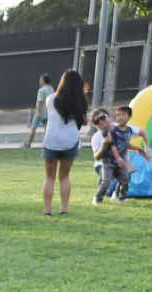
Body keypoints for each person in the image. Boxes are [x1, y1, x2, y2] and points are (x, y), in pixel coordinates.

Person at [40, 70, 88, 218]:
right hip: (70, 141)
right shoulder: (81, 102)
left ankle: (47, 210)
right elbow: (84, 121)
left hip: (52, 141)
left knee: (49, 177)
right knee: (64, 176)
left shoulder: (50, 99)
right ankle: (64, 209)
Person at [90, 109, 124, 203]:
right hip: (101, 164)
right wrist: (104, 145)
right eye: (97, 121)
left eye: (102, 118)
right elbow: (96, 157)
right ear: (95, 125)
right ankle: (97, 198)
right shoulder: (96, 137)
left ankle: (116, 195)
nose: (101, 122)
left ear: (109, 117)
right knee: (106, 182)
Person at [26, 74, 53, 149]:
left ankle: (28, 143)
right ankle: (49, 144)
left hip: (41, 112)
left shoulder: (41, 90)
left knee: (33, 128)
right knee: (47, 129)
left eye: (40, 80)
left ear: (43, 81)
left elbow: (39, 102)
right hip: (49, 112)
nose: (39, 81)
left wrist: (38, 112)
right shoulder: (51, 89)